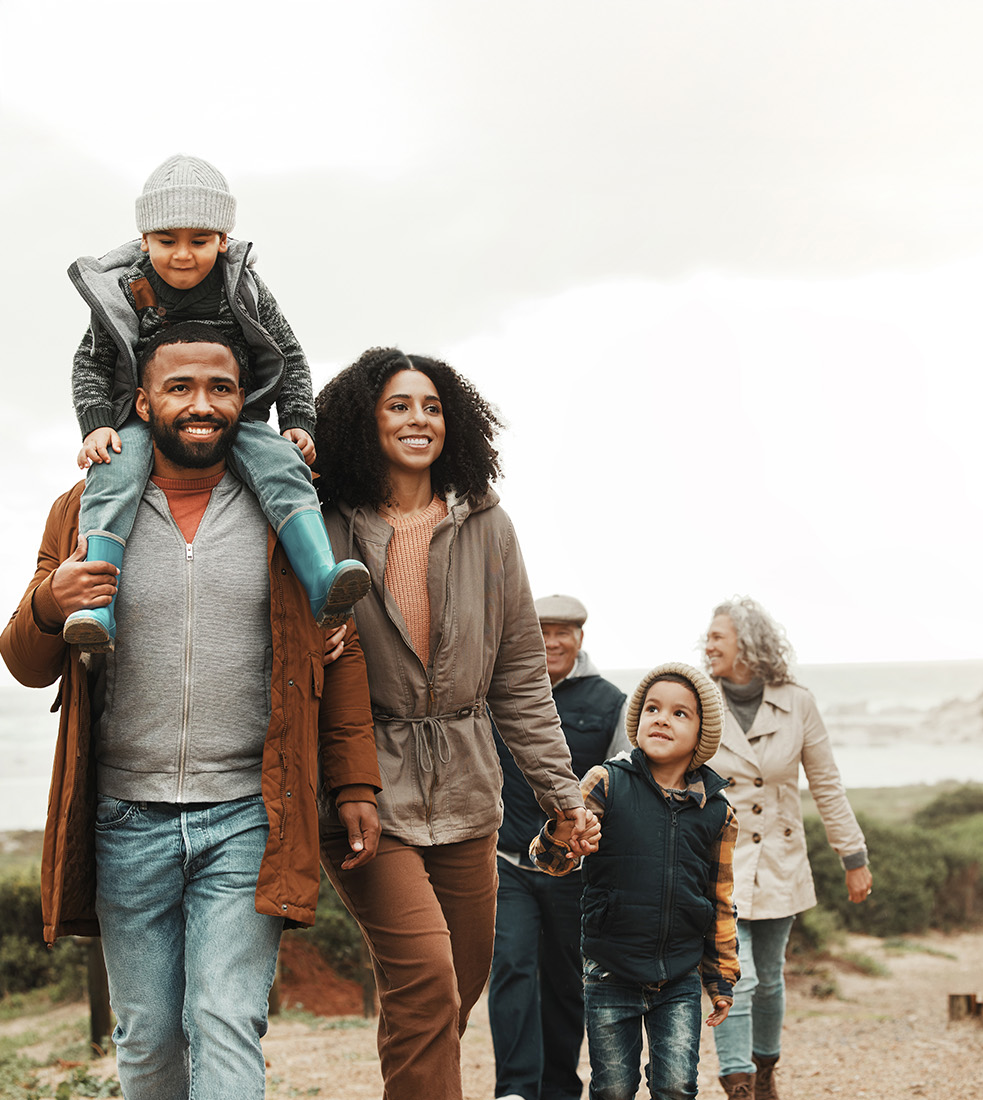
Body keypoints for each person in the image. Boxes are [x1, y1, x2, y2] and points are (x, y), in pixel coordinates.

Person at [0, 323, 384, 1100]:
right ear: (141, 400)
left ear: (246, 400)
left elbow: (336, 653)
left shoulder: (289, 512)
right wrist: (50, 599)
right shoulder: (84, 509)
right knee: (146, 1037)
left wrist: (355, 786)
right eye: (180, 388)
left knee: (226, 1018)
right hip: (122, 817)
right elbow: (26, 663)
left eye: (222, 388)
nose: (202, 404)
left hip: (247, 813)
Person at [310, 347, 600, 1099]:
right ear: (363, 421)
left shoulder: (489, 526)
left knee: (454, 990)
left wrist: (561, 795)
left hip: (471, 792)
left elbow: (520, 680)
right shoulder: (324, 522)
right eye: (399, 405)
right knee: (426, 980)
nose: (418, 419)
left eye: (432, 406)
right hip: (365, 788)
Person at [62, 153, 369, 651]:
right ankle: (98, 610)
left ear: (223, 240)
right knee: (112, 472)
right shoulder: (126, 289)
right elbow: (91, 362)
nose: (183, 254)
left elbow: (287, 352)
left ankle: (321, 582)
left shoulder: (243, 287)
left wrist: (297, 420)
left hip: (235, 417)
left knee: (281, 464)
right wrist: (96, 424)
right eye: (167, 241)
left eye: (200, 240)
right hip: (148, 420)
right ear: (144, 240)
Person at [532, 662, 740, 1100]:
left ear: (702, 735)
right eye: (652, 708)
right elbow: (550, 862)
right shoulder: (605, 782)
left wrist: (721, 978)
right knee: (612, 1088)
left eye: (680, 713)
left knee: (677, 1085)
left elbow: (720, 900)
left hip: (679, 974)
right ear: (637, 720)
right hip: (610, 969)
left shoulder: (718, 812)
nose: (662, 718)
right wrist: (564, 836)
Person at [703, 598, 872, 1100]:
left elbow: (826, 784)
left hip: (780, 860)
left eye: (718, 637)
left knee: (771, 979)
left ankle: (765, 1071)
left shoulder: (797, 701)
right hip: (716, 863)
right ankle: (738, 1083)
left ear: (748, 646)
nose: (707, 645)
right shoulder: (697, 697)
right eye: (708, 637)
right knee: (739, 976)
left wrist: (853, 856)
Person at [489, 594, 628, 1100]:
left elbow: (622, 782)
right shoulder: (501, 688)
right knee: (512, 966)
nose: (552, 641)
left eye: (563, 632)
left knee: (568, 981)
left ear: (580, 639)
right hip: (506, 862)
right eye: (542, 630)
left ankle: (560, 1089)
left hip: (574, 870)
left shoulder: (609, 701)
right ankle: (517, 1089)